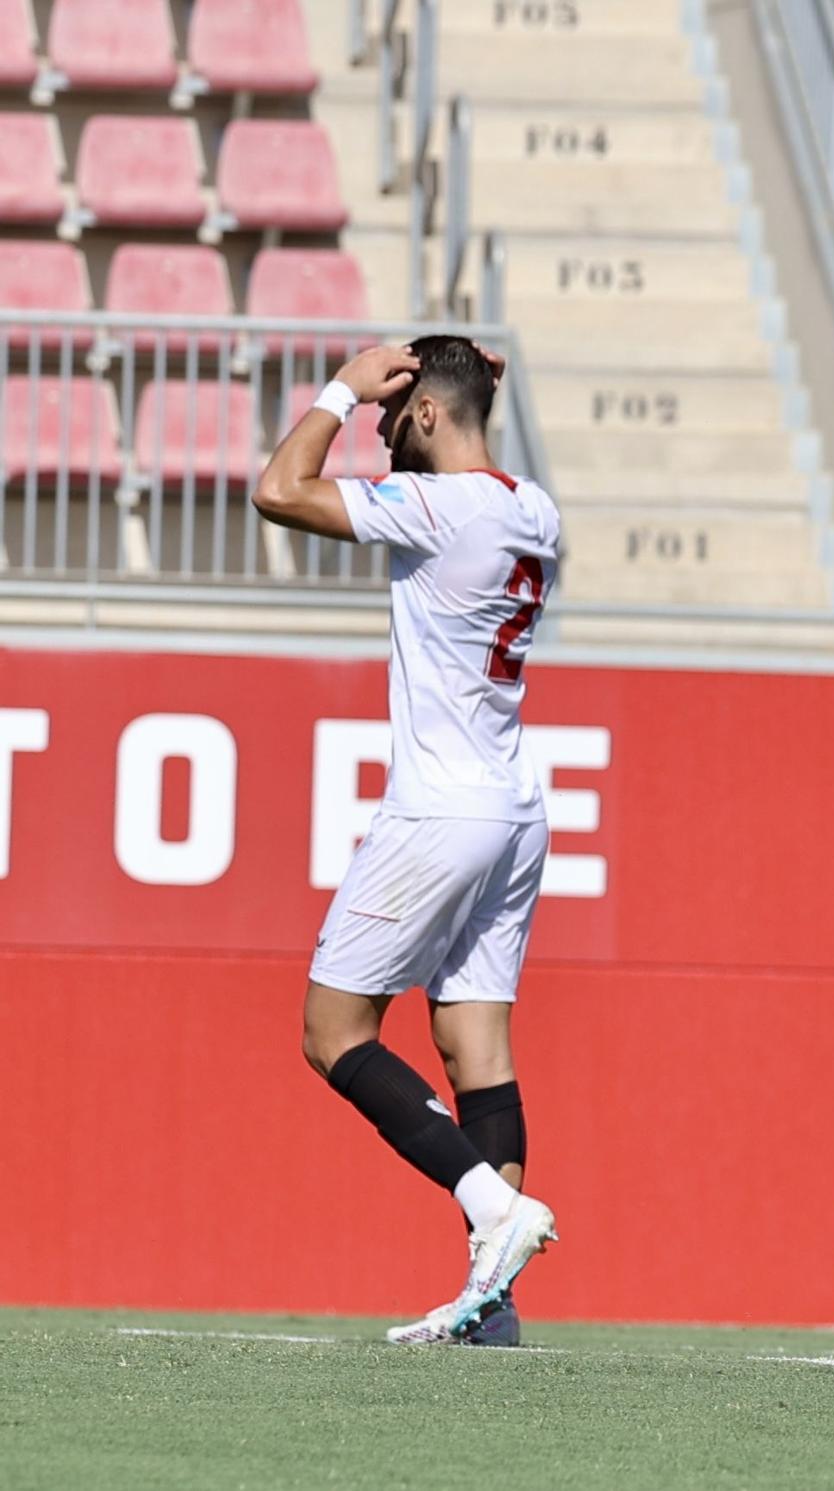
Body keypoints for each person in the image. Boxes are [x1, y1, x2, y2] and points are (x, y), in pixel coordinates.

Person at [252, 335, 562, 1346]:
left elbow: (278, 489)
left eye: (396, 420)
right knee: (474, 1043)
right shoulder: (530, 508)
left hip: (440, 807)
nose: (383, 441)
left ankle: (492, 1208)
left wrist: (343, 386)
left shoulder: (443, 507)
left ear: (427, 412)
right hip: (516, 804)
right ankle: (492, 1304)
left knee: (333, 1033)